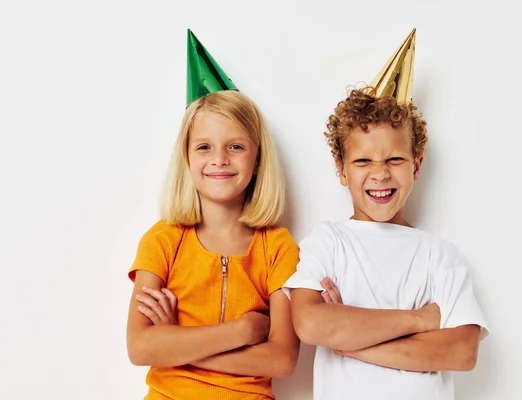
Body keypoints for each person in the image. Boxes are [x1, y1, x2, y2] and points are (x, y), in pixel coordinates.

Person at [283, 29, 488, 400]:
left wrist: (353, 341)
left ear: (417, 165)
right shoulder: (328, 241)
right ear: (342, 169)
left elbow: (461, 351)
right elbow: (311, 323)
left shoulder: (439, 255)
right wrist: (420, 320)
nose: (379, 173)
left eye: (395, 159)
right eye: (362, 161)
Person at [126, 30, 300, 400]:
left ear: (256, 161)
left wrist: (178, 344)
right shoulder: (163, 240)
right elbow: (141, 348)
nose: (219, 159)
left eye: (236, 146)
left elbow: (282, 359)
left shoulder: (278, 247)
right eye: (204, 147)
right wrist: (242, 332)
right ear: (187, 159)